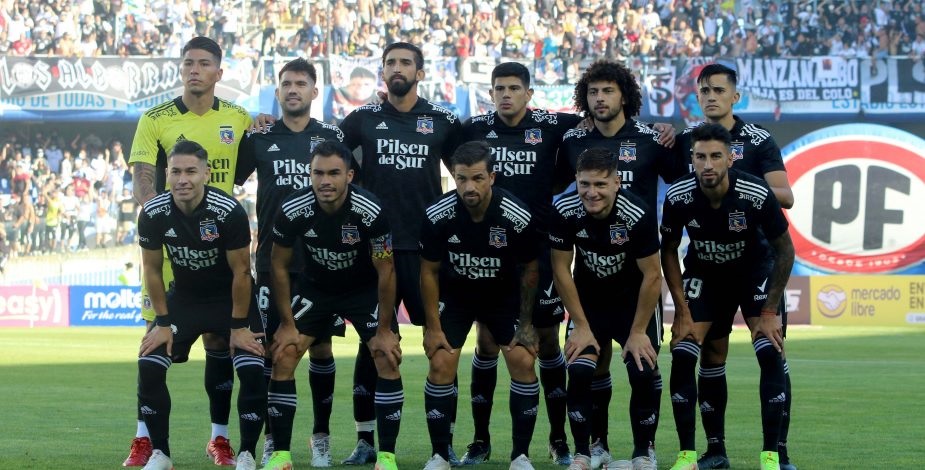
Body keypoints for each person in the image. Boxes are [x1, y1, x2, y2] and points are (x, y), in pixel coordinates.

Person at [126, 36, 253, 467]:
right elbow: (143, 178)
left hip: (220, 249)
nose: (193, 70)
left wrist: (264, 123)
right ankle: (145, 439)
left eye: (202, 63)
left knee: (220, 339)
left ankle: (219, 439)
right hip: (170, 250)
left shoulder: (238, 117)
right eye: (187, 63)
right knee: (153, 342)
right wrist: (166, 223)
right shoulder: (155, 118)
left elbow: (253, 159)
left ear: (218, 71)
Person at [559, 59, 687, 468]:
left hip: (637, 281)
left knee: (642, 364)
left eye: (608, 91)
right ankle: (594, 447)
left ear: (625, 96)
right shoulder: (573, 140)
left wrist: (673, 132)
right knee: (587, 368)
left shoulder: (652, 139)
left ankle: (644, 450)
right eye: (593, 92)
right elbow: (553, 189)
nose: (600, 98)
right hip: (590, 280)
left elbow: (684, 184)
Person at [339, 41, 462, 463]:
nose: (397, 68)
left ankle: (443, 445)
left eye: (405, 62)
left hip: (426, 251)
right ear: (383, 71)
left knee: (440, 343)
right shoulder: (362, 119)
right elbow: (326, 151)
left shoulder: (442, 120)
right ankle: (365, 441)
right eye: (390, 62)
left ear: (419, 72)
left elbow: (469, 169)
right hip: (375, 250)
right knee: (372, 343)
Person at [458, 62, 583, 466]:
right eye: (499, 88)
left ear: (529, 94)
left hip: (539, 250)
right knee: (486, 341)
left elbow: (595, 123)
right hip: (490, 253)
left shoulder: (552, 125)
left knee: (546, 342)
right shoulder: (474, 128)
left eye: (514, 88)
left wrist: (658, 127)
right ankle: (480, 441)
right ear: (491, 94)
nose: (506, 94)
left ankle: (558, 438)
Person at [673, 63, 796, 470]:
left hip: (755, 263)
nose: (710, 97)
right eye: (704, 91)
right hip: (707, 266)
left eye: (718, 90)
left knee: (771, 347)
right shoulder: (686, 140)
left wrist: (736, 181)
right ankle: (713, 451)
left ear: (735, 96)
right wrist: (663, 135)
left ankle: (777, 452)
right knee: (707, 354)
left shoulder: (758, 140)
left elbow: (786, 195)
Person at [234, 57, 352, 467]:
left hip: (323, 261)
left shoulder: (331, 137)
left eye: (301, 83)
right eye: (286, 84)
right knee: (273, 349)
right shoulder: (260, 136)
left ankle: (321, 437)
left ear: (314, 91)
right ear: (277, 91)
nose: (293, 90)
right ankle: (273, 438)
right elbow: (231, 179)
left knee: (321, 347)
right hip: (272, 260)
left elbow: (353, 186)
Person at [264, 141, 403, 470]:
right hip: (316, 288)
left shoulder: (371, 210)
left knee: (386, 355)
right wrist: (287, 324)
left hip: (362, 290)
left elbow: (386, 268)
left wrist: (385, 329)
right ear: (310, 174)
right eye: (318, 173)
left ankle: (386, 457)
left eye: (334, 173)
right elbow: (278, 266)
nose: (325, 180)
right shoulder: (293, 208)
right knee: (284, 353)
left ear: (349, 176)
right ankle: (281, 455)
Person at [135, 140, 267, 470]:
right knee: (148, 362)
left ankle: (246, 454)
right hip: (186, 298)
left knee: (252, 369)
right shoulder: (153, 213)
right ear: (167, 175)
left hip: (230, 299)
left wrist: (238, 327)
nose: (183, 179)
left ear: (206, 173)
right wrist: (162, 322)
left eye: (191, 171)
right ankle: (161, 454)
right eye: (176, 171)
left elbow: (242, 272)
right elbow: (152, 269)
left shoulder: (229, 211)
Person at [419, 141, 540, 470]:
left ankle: (520, 456)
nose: (469, 187)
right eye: (461, 179)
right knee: (440, 362)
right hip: (456, 297)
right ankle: (439, 455)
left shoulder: (516, 215)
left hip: (502, 297)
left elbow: (531, 269)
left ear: (492, 178)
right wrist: (432, 328)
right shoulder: (437, 214)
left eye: (477, 178)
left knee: (523, 360)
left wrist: (526, 324)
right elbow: (428, 272)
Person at [549, 148, 663, 470]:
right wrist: (581, 326)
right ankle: (588, 451)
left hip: (633, 303)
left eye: (600, 184)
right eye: (584, 184)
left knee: (642, 369)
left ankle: (644, 451)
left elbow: (653, 275)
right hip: (590, 304)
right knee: (580, 369)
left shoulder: (636, 213)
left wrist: (638, 331)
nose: (591, 192)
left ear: (616, 182)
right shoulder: (565, 210)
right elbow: (561, 269)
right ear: (576, 179)